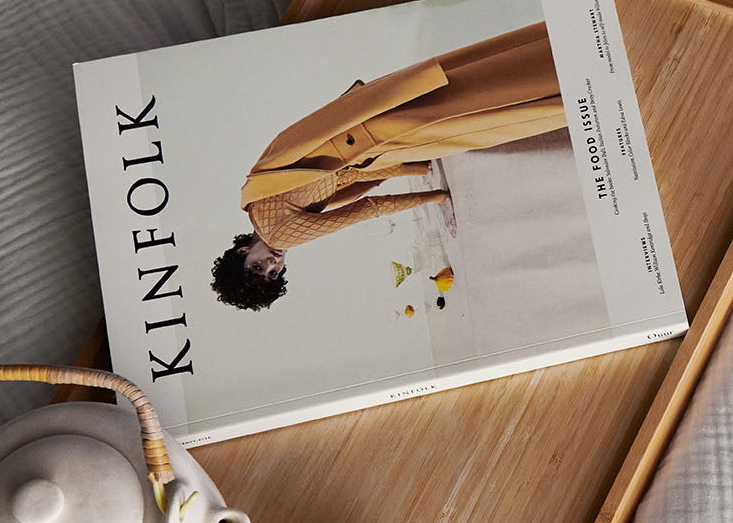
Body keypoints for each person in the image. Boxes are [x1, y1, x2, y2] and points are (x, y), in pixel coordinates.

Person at [209, 22, 566, 311]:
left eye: (258, 266)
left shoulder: (281, 233)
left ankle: (564, 77)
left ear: (242, 252)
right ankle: (555, 45)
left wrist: (438, 196)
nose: (273, 262)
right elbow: (342, 173)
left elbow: (366, 208)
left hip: (381, 136)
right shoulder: (254, 194)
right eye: (273, 274)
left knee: (489, 112)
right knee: (470, 79)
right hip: (371, 116)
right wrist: (410, 169)